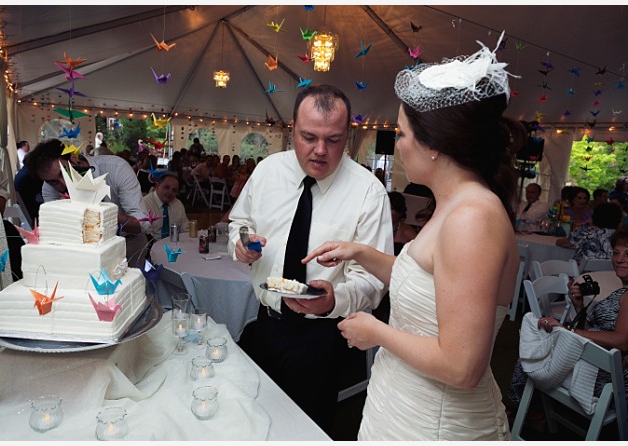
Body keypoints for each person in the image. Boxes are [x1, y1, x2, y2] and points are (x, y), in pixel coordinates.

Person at [302, 34, 521, 440]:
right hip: (402, 402)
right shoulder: (453, 204)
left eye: (401, 134)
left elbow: (462, 367)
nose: (398, 144)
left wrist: (376, 332)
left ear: (435, 144)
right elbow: (428, 282)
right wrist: (362, 253)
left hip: (436, 421)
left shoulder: (473, 217)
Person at [227, 84, 392, 434]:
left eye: (333, 140)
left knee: (306, 429)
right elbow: (240, 223)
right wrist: (240, 244)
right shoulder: (269, 170)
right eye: (308, 137)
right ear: (292, 129)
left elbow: (373, 279)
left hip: (322, 336)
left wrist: (336, 299)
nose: (320, 150)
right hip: (266, 320)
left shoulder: (368, 192)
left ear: (348, 136)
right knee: (254, 421)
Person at [508, 228, 628, 430]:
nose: (619, 259)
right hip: (598, 358)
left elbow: (621, 340)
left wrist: (568, 330)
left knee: (530, 358)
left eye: (627, 254)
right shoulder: (625, 290)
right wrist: (579, 306)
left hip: (605, 374)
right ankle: (533, 412)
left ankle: (528, 414)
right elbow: (600, 332)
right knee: (538, 348)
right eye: (616, 253)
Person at [25, 139, 150, 267]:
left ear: (74, 159)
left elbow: (142, 224)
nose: (64, 184)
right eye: (53, 182)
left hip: (128, 240)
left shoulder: (117, 168)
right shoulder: (49, 188)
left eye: (64, 173)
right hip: (83, 251)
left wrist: (103, 212)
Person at [556, 202, 623, 263]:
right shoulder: (621, 237)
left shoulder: (585, 231)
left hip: (581, 274)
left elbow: (561, 242)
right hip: (610, 273)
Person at [142, 172, 189, 242]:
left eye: (174, 190)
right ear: (157, 186)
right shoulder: (145, 203)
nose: (170, 192)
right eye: (166, 187)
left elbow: (185, 230)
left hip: (175, 245)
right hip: (152, 247)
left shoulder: (178, 204)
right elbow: (147, 235)